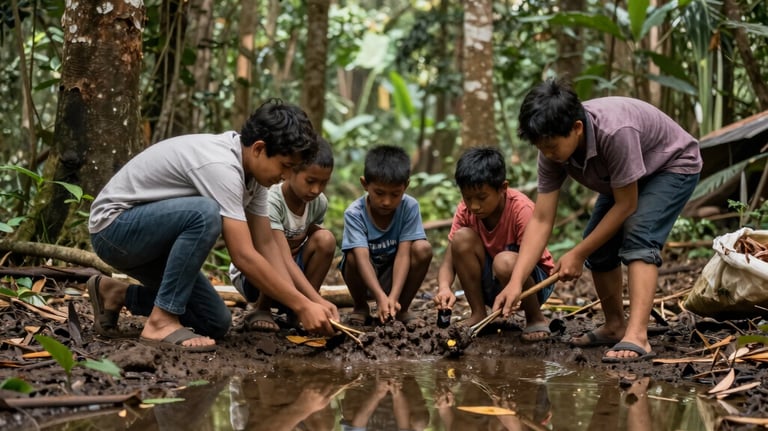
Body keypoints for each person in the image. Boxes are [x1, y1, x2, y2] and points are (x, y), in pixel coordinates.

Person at [87, 99, 338, 352]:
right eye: (285, 166)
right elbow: (243, 255)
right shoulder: (221, 166)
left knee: (215, 322)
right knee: (205, 213)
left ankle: (115, 293)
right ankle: (161, 320)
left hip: (154, 243)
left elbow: (266, 245)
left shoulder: (255, 178)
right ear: (259, 149)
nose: (285, 176)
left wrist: (313, 301)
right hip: (115, 230)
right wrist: (301, 306)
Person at [495, 79, 702, 362]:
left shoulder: (615, 131)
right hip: (623, 180)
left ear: (577, 128)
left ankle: (637, 335)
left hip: (671, 166)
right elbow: (542, 218)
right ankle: (615, 326)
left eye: (552, 146)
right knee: (599, 244)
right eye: (541, 147)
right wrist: (516, 281)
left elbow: (627, 205)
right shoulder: (551, 153)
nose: (547, 154)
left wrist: (578, 254)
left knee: (639, 235)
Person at [434, 147, 556, 341]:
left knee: (504, 261)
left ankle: (535, 318)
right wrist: (444, 288)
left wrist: (515, 283)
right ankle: (478, 313)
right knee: (461, 238)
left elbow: (531, 257)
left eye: (482, 198)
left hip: (532, 283)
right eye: (468, 198)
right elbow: (449, 262)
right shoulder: (465, 211)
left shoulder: (521, 209)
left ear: (502, 188)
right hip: (494, 283)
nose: (474, 206)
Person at [228, 137, 337, 332]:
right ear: (289, 172)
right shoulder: (271, 200)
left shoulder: (319, 203)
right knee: (272, 255)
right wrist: (316, 300)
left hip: (291, 267)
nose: (316, 190)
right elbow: (280, 256)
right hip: (254, 275)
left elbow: (313, 241)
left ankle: (296, 313)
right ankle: (262, 309)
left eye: (323, 183)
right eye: (310, 181)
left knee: (326, 239)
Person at [339, 145, 433, 325]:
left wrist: (393, 297)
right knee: (351, 256)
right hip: (366, 274)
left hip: (395, 274)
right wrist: (380, 297)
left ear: (405, 186)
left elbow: (404, 254)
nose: (386, 202)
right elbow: (361, 258)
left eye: (395, 194)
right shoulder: (354, 213)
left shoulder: (410, 207)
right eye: (379, 193)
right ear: (365, 184)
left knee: (423, 248)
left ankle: (401, 308)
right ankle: (360, 306)